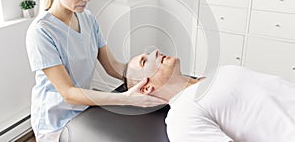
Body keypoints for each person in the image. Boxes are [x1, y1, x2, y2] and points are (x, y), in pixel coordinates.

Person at [25, 0, 166, 142]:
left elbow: (112, 66)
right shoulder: (41, 31)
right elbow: (68, 93)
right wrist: (126, 98)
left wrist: (146, 75)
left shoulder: (88, 19)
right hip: (55, 122)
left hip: (83, 110)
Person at [125, 49, 295, 142]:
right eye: (144, 61)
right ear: (145, 88)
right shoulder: (182, 115)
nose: (155, 52)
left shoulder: (216, 73)